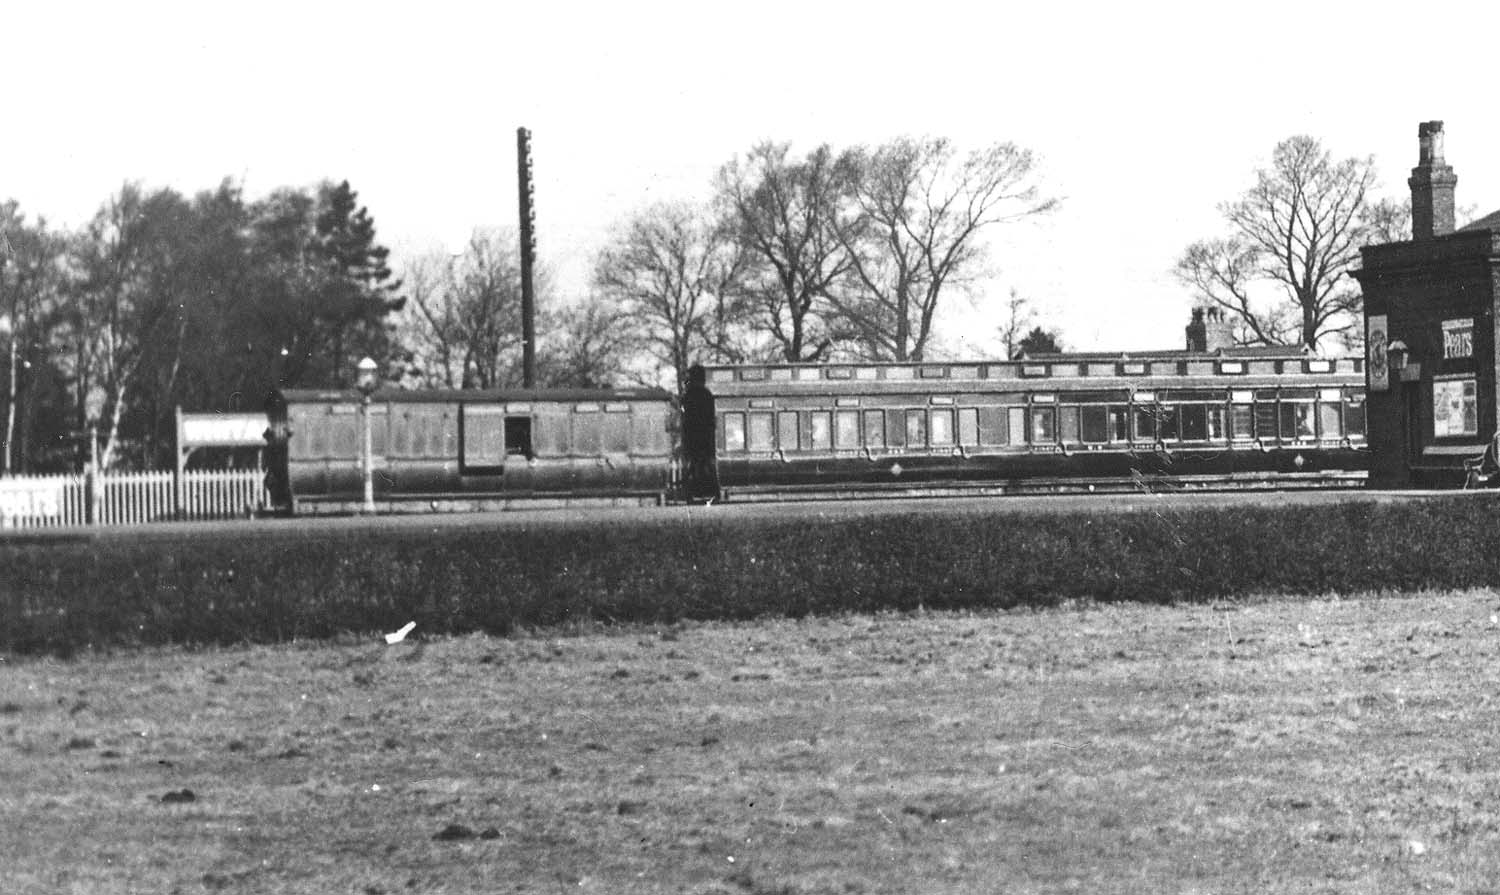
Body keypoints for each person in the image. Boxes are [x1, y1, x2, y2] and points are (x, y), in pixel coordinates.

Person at [680, 364, 720, 502]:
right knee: (707, 465)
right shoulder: (707, 395)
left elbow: (685, 418)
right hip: (706, 437)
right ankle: (711, 492)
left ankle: (691, 492)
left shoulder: (688, 395)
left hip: (692, 437)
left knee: (692, 465)